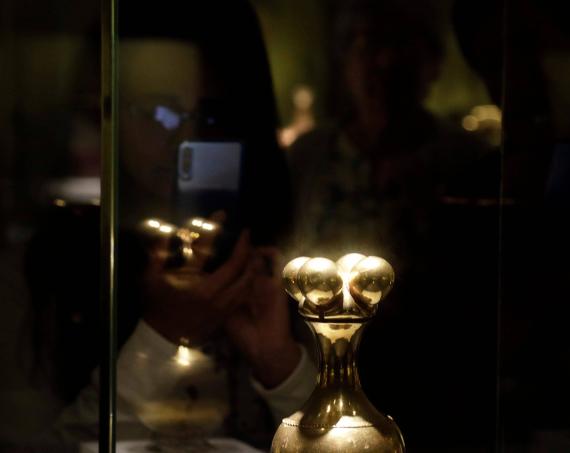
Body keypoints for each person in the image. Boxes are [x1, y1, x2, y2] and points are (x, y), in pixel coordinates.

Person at [22, 0, 316, 451]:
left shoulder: (274, 266)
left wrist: (279, 363)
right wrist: (160, 336)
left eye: (210, 115)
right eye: (158, 112)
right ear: (106, 112)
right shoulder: (42, 269)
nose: (184, 140)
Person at [287, 0, 497, 450]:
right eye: (368, 45)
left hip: (440, 382)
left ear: (433, 63)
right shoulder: (308, 156)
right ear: (345, 61)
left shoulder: (465, 160)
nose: (385, 63)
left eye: (402, 45)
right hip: (312, 374)